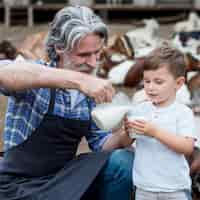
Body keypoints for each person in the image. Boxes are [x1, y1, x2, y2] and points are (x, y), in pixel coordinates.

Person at [0, 6, 134, 200]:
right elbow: (3, 73)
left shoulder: (90, 95)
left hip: (63, 181)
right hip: (18, 186)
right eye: (84, 55)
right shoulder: (37, 76)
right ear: (59, 48)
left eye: (97, 53)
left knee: (123, 162)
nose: (93, 63)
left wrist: (125, 135)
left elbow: (101, 144)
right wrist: (80, 81)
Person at [125, 44, 196, 200]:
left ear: (178, 83)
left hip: (174, 188)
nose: (150, 87)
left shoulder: (182, 113)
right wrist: (127, 129)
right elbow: (127, 141)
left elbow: (187, 147)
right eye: (147, 81)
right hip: (144, 187)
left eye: (158, 82)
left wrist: (155, 132)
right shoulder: (140, 110)